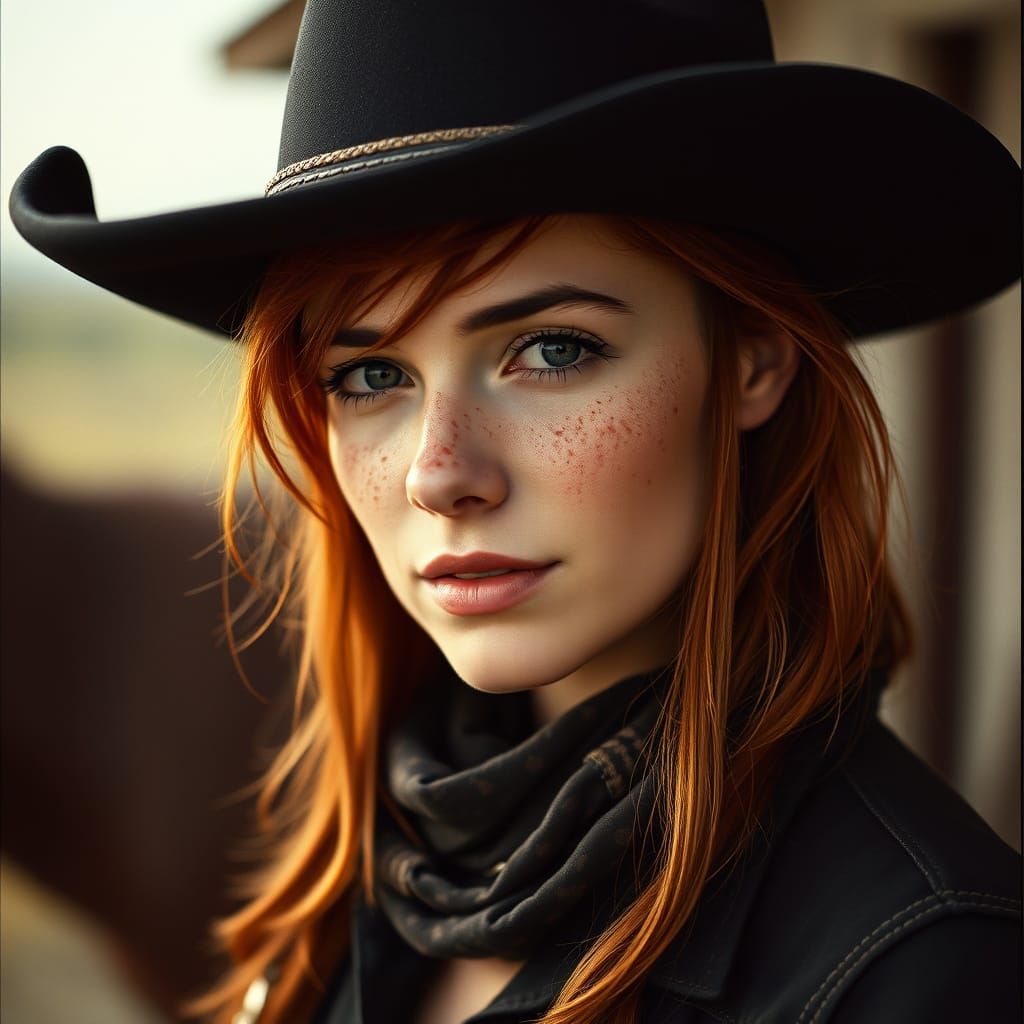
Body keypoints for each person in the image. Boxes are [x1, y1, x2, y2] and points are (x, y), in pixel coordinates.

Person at [10, 2, 1021, 1022]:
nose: (437, 474)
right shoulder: (347, 884)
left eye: (550, 349)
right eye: (369, 374)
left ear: (752, 357)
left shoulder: (920, 972)